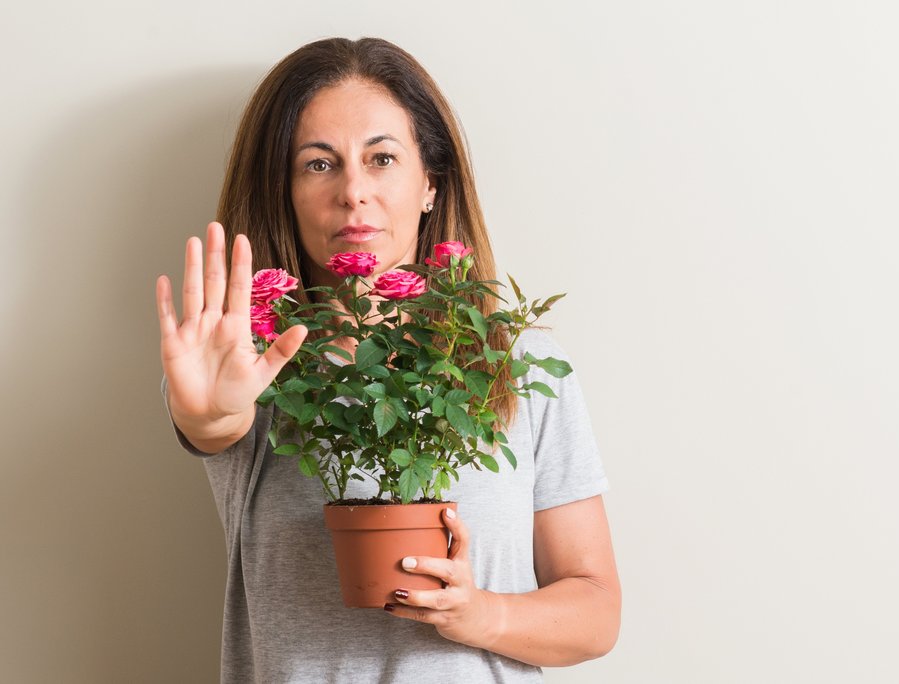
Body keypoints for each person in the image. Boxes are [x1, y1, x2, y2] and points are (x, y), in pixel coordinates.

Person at [155, 37, 620, 683]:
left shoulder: (517, 363)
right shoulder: (244, 368)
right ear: (282, 190)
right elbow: (213, 423)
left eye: (382, 158)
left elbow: (594, 612)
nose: (354, 192)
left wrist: (476, 613)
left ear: (430, 181)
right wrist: (206, 417)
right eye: (318, 164)